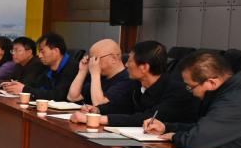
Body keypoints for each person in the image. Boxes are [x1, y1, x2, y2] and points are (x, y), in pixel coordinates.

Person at [71, 41, 199, 127]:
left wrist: (97, 119)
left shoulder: (177, 90)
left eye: (130, 61)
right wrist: (97, 110)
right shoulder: (136, 84)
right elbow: (122, 106)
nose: (126, 65)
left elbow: (146, 118)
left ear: (144, 67)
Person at [2, 32, 77, 100]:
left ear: (55, 51)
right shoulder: (47, 67)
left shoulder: (72, 67)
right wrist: (16, 86)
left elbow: (58, 95)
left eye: (43, 52)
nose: (40, 56)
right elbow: (36, 86)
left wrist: (24, 89)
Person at [66, 39, 134, 112]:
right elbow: (72, 97)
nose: (92, 63)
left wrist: (95, 74)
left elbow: (100, 106)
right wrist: (82, 71)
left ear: (113, 58)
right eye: (91, 59)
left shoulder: (128, 79)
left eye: (95, 59)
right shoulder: (100, 76)